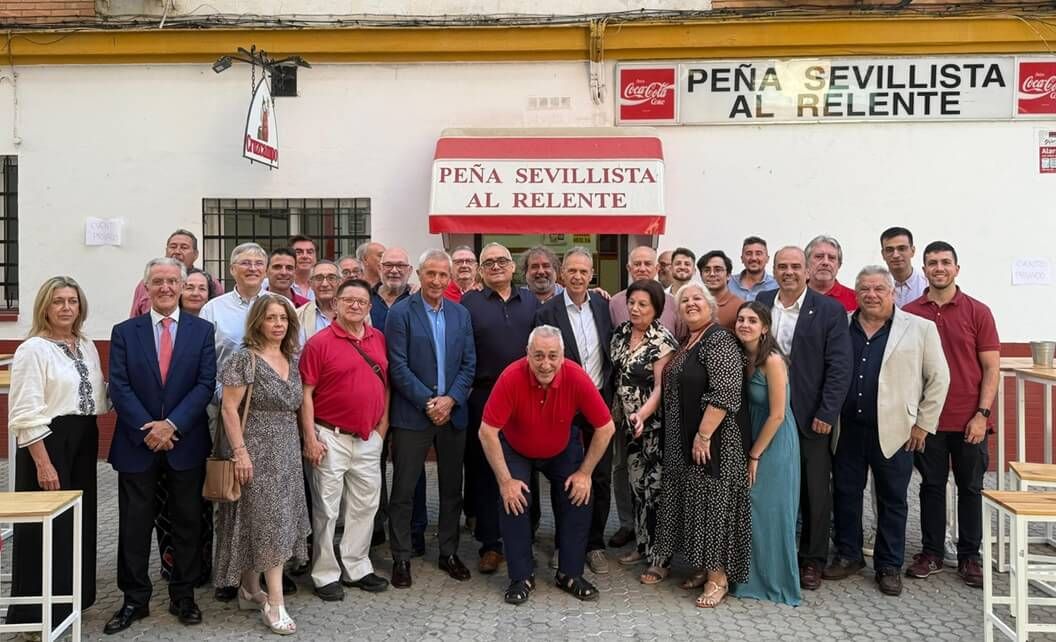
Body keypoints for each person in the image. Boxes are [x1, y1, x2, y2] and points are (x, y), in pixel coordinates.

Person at [105, 258, 216, 634]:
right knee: (134, 526)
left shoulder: (202, 331)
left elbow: (205, 384)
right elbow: (118, 385)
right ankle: (134, 599)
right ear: (147, 287)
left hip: (185, 441)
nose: (166, 288)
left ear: (183, 286)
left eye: (173, 281)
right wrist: (148, 428)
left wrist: (171, 425)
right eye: (158, 282)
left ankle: (183, 595)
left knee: (187, 523)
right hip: (137, 444)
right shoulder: (125, 331)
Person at [826, 266, 949, 597]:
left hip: (897, 430)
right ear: (857, 293)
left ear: (892, 293)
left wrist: (924, 423)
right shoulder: (843, 324)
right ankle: (849, 554)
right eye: (865, 288)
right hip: (847, 429)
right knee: (846, 495)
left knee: (893, 499)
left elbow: (939, 378)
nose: (872, 294)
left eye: (879, 288)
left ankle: (888, 564)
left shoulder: (919, 328)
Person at [479, 326, 616, 605]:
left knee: (578, 496)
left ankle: (569, 573)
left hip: (561, 447)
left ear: (563, 356)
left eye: (553, 356)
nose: (546, 363)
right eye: (538, 355)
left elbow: (605, 427)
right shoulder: (511, 377)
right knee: (514, 501)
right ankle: (521, 576)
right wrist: (506, 482)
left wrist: (585, 473)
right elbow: (487, 431)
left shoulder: (576, 376)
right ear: (527, 354)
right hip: (517, 447)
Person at [6, 276, 109, 629]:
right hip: (48, 441)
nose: (66, 308)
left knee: (78, 521)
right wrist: (43, 462)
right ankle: (35, 614)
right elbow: (24, 411)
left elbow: (96, 392)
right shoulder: (33, 349)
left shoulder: (84, 343)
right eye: (58, 301)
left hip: (84, 436)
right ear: (45, 307)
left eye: (72, 301)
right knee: (44, 528)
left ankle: (71, 601)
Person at [646, 283, 750, 609]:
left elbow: (725, 393)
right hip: (683, 441)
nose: (691, 303)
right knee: (695, 504)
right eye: (685, 300)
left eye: (697, 299)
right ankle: (704, 567)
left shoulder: (720, 339)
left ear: (711, 306)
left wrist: (703, 435)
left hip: (713, 441)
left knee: (713, 506)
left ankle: (718, 578)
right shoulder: (688, 341)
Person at [903, 241, 999, 589]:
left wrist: (982, 414)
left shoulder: (978, 312)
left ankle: (969, 556)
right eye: (932, 263)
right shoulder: (910, 312)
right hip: (928, 422)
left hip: (969, 420)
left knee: (970, 488)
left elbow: (991, 369)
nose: (939, 268)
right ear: (924, 269)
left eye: (945, 262)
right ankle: (931, 553)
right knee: (930, 487)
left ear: (957, 269)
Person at [756, 246, 852, 591]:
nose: (789, 272)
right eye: (782, 266)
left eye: (796, 266)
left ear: (808, 270)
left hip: (810, 413)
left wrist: (827, 411)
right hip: (765, 411)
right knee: (768, 483)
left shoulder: (829, 310)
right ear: (774, 270)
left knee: (814, 489)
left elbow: (839, 367)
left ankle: (812, 559)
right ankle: (768, 552)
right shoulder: (763, 300)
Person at [215, 294, 310, 634]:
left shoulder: (291, 357)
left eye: (283, 319)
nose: (278, 324)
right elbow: (228, 409)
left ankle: (249, 589)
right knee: (270, 522)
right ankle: (275, 604)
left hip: (286, 450)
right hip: (255, 448)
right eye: (271, 318)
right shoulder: (245, 359)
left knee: (271, 519)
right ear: (258, 321)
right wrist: (240, 452)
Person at [386, 249, 477, 587]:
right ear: (420, 275)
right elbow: (398, 365)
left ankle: (448, 552)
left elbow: (469, 363)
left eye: (443, 275)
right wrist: (429, 401)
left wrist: (451, 400)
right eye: (431, 274)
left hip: (452, 414)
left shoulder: (460, 314)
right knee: (405, 488)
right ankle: (401, 556)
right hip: (413, 413)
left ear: (449, 277)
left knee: (452, 488)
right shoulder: (401, 313)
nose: (437, 281)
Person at [300, 279, 391, 602]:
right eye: (348, 300)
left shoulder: (377, 338)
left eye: (361, 301)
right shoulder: (319, 343)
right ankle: (324, 573)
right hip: (330, 436)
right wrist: (310, 437)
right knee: (326, 508)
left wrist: (382, 427)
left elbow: (385, 385)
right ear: (335, 304)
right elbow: (306, 393)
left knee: (365, 505)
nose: (355, 306)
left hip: (368, 438)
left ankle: (357, 565)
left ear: (369, 307)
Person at [461, 242, 541, 574]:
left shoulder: (531, 301)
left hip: (525, 398)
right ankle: (490, 544)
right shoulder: (470, 304)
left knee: (526, 466)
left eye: (502, 261)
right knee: (485, 471)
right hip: (484, 396)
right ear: (480, 270)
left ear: (513, 267)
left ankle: (524, 536)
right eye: (488, 262)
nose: (496, 266)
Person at [533, 247, 615, 574]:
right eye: (572, 271)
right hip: (564, 405)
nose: (578, 277)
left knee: (601, 475)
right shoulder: (547, 312)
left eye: (584, 271)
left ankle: (594, 544)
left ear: (592, 274)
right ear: (561, 274)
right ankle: (564, 543)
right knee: (565, 475)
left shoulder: (605, 306)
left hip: (599, 402)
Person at [608, 246, 686, 549]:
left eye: (643, 304)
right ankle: (640, 544)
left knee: (652, 488)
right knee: (633, 483)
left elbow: (659, 387)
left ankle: (657, 553)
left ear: (656, 307)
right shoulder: (621, 333)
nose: (635, 308)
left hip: (651, 424)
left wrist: (642, 414)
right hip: (624, 422)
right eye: (631, 302)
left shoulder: (662, 340)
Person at [731, 301, 801, 606]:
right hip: (754, 435)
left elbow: (777, 415)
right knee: (752, 510)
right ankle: (748, 577)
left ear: (765, 328)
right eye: (741, 319)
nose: (744, 324)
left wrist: (755, 454)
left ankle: (776, 581)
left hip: (774, 441)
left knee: (770, 510)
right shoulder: (742, 357)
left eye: (752, 320)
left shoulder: (772, 360)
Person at [368, 246, 425, 550]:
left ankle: (415, 532)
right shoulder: (366, 302)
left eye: (400, 266)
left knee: (410, 468)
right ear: (378, 268)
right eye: (388, 265)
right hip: (371, 399)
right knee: (370, 466)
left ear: (410, 271)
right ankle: (374, 527)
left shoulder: (418, 301)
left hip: (409, 397)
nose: (394, 270)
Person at [129, 229, 222, 317]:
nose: (177, 252)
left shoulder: (209, 281)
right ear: (166, 251)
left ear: (195, 254)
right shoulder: (147, 282)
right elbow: (135, 318)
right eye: (173, 247)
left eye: (184, 247)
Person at [880, 226, 929, 309]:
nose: (896, 255)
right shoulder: (875, 288)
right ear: (883, 254)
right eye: (889, 250)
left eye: (902, 248)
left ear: (912, 251)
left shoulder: (927, 285)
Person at [806, 235, 857, 312]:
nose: (825, 262)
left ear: (839, 265)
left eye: (831, 258)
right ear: (806, 262)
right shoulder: (794, 295)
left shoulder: (855, 300)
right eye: (819, 256)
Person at [698, 250, 744, 330]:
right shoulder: (695, 303)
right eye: (707, 270)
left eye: (718, 270)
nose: (712, 274)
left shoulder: (739, 306)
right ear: (701, 275)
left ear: (728, 275)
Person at [296, 260, 340, 345]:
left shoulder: (355, 312)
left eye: (331, 278)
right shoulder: (299, 316)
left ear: (340, 282)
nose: (324, 284)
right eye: (319, 278)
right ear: (311, 284)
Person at [727, 236, 778, 301]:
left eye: (758, 254)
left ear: (767, 259)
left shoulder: (776, 285)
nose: (753, 258)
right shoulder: (728, 283)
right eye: (749, 254)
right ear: (742, 259)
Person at [289, 235, 318, 301]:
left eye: (310, 252)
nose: (305, 256)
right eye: (298, 252)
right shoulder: (275, 284)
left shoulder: (325, 285)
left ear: (316, 257)